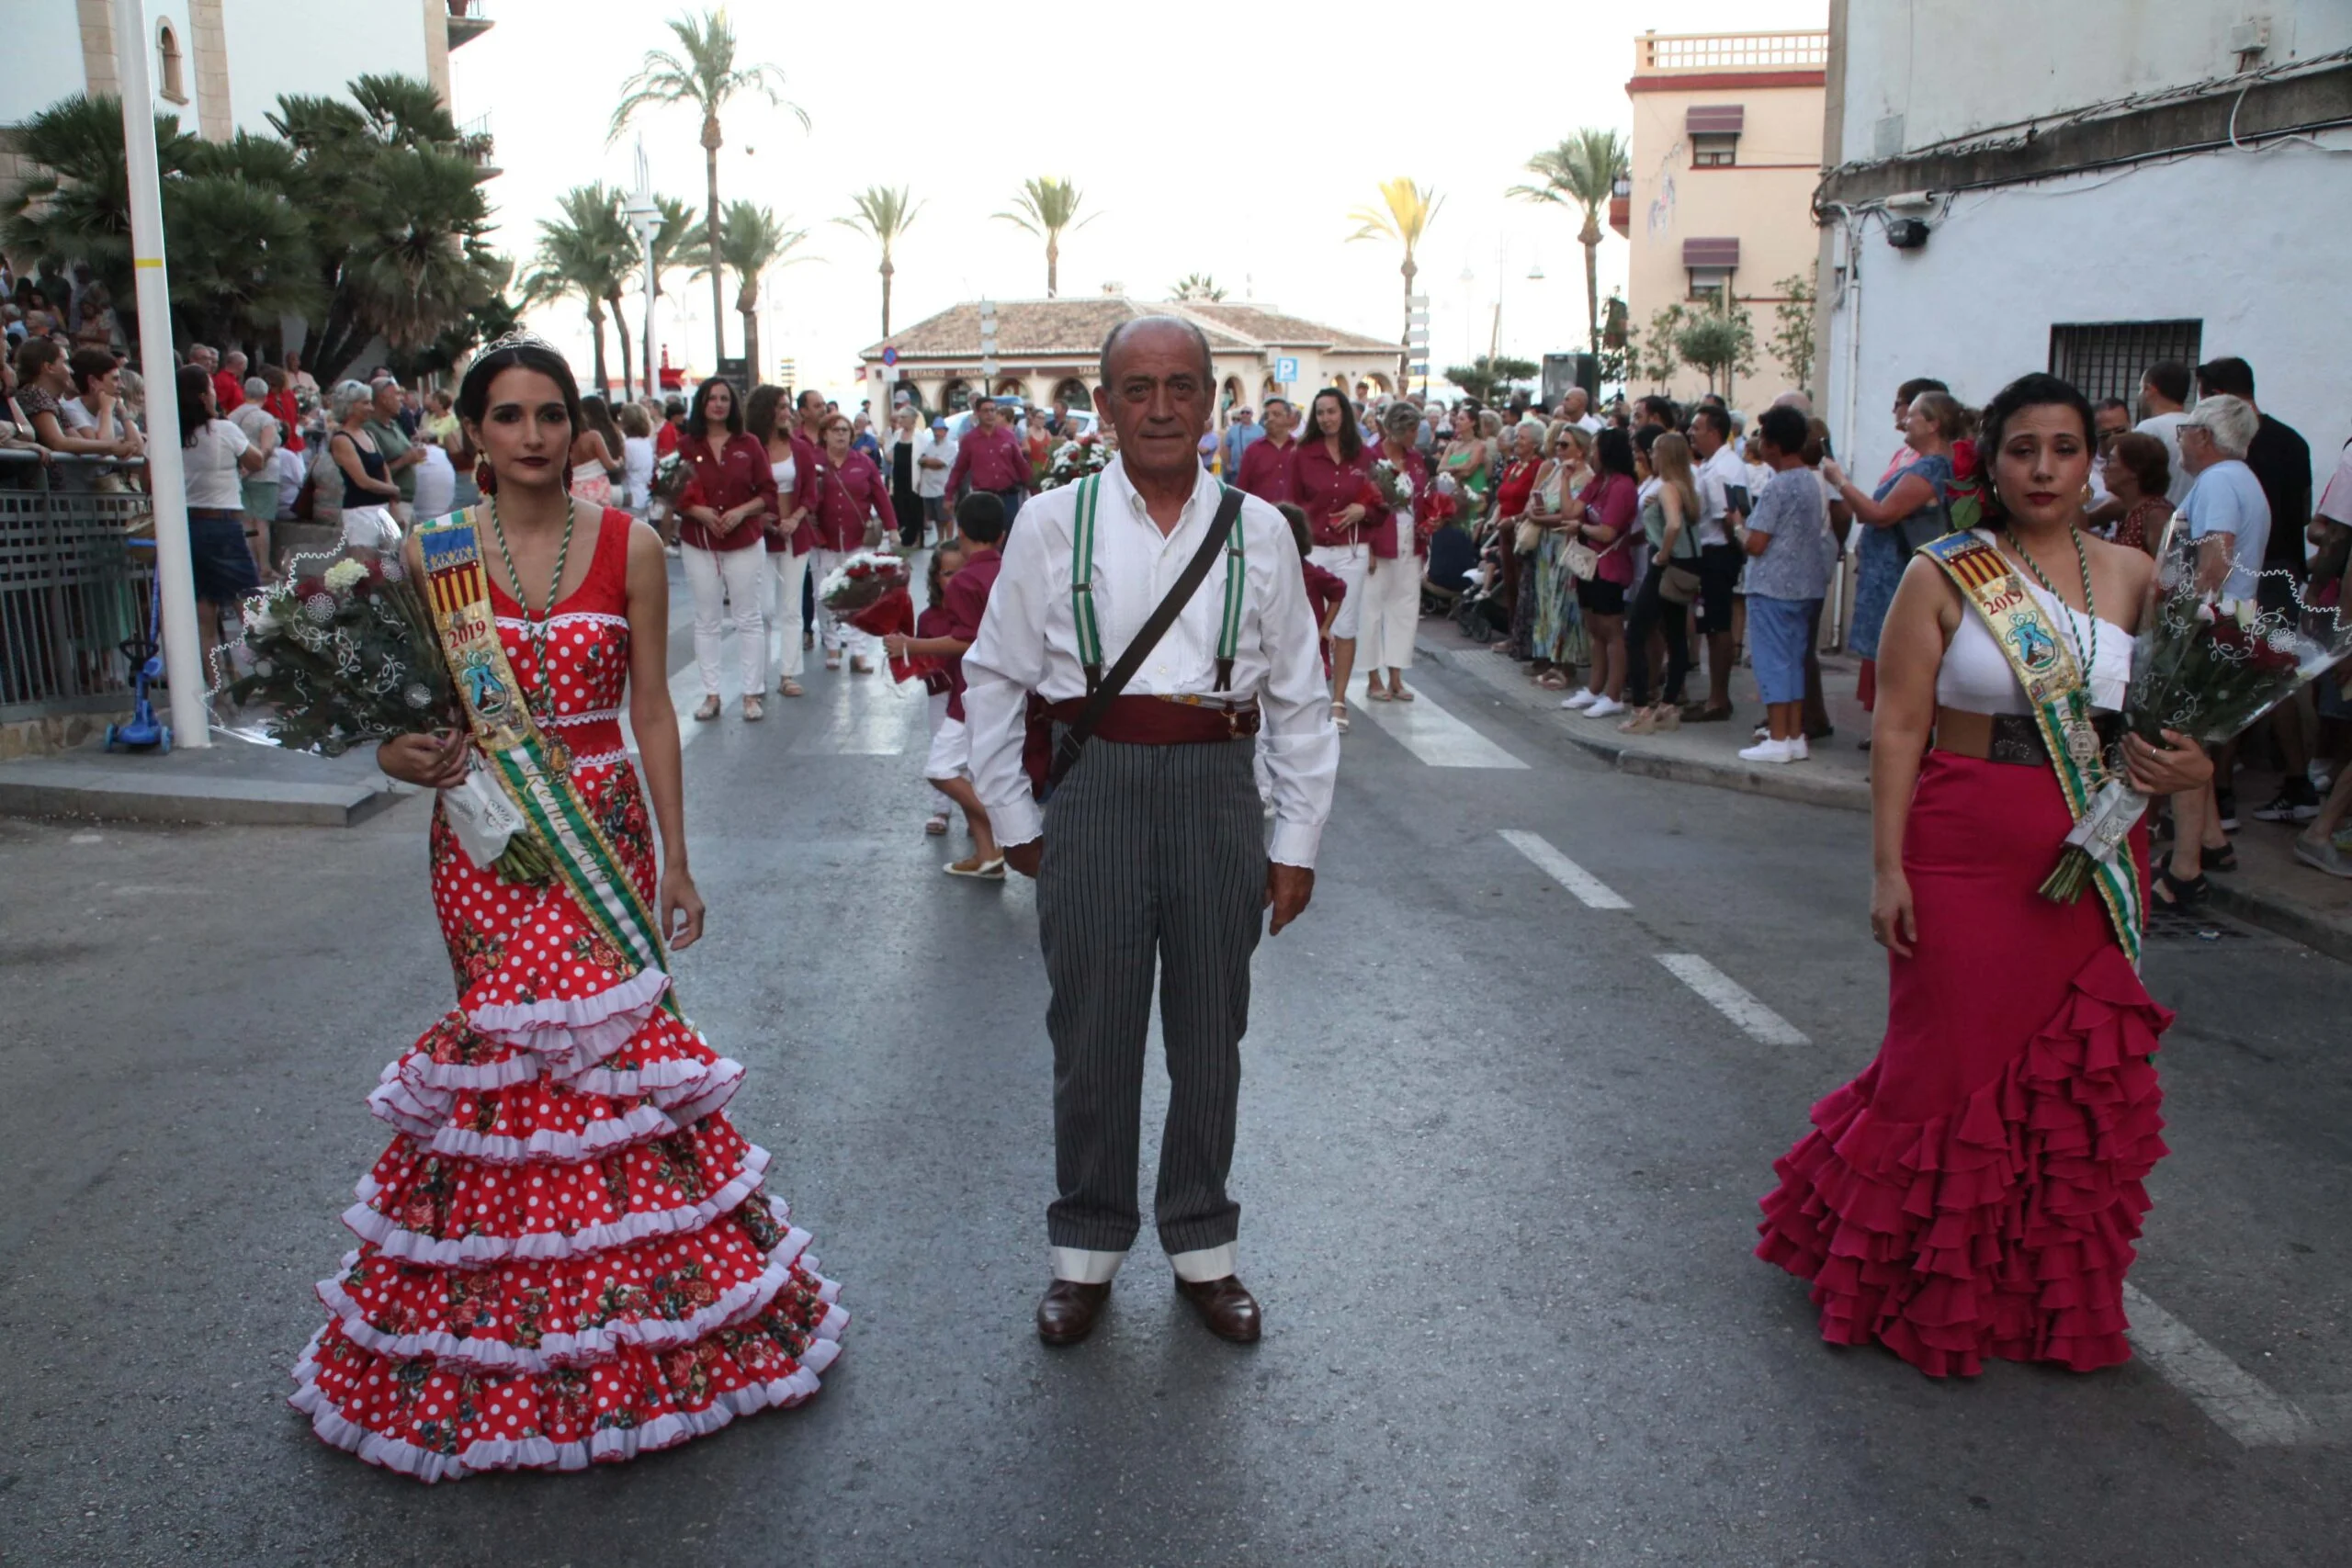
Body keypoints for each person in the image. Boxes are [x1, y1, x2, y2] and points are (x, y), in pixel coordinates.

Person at [297, 335, 842, 1482]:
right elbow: (402, 715)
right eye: (508, 416)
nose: (533, 435)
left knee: (616, 1065)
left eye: (550, 414)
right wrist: (402, 753)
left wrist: (677, 858)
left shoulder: (632, 545)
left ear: (575, 424)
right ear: (474, 432)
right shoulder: (428, 553)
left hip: (602, 828)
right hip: (488, 840)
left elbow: (653, 706)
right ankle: (505, 1333)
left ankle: (639, 1314)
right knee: (508, 1068)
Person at [1756, 370, 2211, 1379]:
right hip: (1960, 849)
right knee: (1945, 1064)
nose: (2043, 468)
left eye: (2064, 448)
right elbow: (1900, 731)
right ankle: (1912, 1284)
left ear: (2092, 462)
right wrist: (1886, 870)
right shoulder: (1945, 573)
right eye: (2021, 449)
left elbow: (2174, 721)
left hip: (2092, 850)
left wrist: (2195, 766)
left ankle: (2036, 1296)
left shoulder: (2135, 573)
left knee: (2066, 1076)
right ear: (1989, 463)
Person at [962, 315, 1337, 1348]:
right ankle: (1083, 1251)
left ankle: (1202, 1248)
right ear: (1105, 406)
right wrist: (1014, 815)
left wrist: (1295, 840)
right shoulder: (1051, 520)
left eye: (1181, 386)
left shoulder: (1260, 528)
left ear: (1211, 400)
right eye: (1138, 388)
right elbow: (992, 677)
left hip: (1219, 786)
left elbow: (1301, 698)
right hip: (1095, 787)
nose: (1161, 406)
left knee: (1211, 1030)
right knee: (1091, 1034)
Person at [2155, 392, 2270, 909]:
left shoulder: (2220, 481)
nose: (2181, 440)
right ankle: (2211, 842)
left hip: (2213, 624)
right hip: (2233, 620)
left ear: (2203, 436)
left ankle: (2185, 870)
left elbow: (2214, 561)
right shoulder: (2242, 479)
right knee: (2197, 740)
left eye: (2185, 431)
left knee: (2182, 742)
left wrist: (2188, 622)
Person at [2199, 356, 2319, 824]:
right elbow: (2306, 511)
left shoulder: (2229, 451)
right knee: (2277, 679)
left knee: (2231, 681)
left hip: (2249, 576)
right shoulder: (2293, 440)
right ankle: (2295, 780)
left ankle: (2223, 794)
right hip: (2284, 569)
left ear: (2215, 394)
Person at [1826, 391, 1963, 733]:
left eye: (1913, 414)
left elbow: (1881, 514)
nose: (1904, 420)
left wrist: (1839, 481)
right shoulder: (1929, 464)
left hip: (1901, 580)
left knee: (1903, 672)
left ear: (1933, 424)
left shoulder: (1930, 467)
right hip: (1895, 577)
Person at [886, 491, 1007, 877]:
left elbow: (968, 640)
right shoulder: (1010, 570)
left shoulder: (967, 581)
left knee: (941, 769)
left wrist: (910, 645)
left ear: (961, 530)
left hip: (975, 692)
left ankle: (1011, 828)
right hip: (1008, 687)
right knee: (977, 770)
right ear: (1003, 534)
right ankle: (987, 855)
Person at [676, 376, 778, 721]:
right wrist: (697, 511)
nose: (718, 404)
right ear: (701, 404)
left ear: (732, 405)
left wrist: (741, 512)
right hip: (699, 541)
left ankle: (752, 693)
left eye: (724, 398)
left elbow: (767, 493)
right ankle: (712, 694)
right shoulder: (687, 446)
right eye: (711, 398)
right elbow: (671, 492)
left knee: (748, 616)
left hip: (744, 540)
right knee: (707, 619)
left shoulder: (748, 444)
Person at [1735, 405, 1832, 762]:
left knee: (1773, 662)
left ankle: (1778, 737)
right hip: (1805, 584)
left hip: (1773, 585)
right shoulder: (1809, 479)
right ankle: (1793, 734)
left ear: (1774, 444)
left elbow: (1756, 542)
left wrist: (1736, 526)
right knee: (1793, 661)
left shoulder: (1778, 485)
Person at [174, 364, 269, 682]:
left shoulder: (170, 433)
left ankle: (215, 689)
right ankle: (271, 682)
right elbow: (256, 460)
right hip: (224, 525)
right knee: (250, 608)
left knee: (204, 616)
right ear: (203, 396)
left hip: (187, 527)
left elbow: (148, 479)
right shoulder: (224, 430)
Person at [1292, 386, 1375, 731]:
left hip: (1352, 549)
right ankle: (1308, 694)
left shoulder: (1364, 457)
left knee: (1346, 624)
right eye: (1321, 412)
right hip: (1315, 549)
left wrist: (1364, 510)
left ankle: (1338, 700)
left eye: (1332, 411)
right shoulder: (1303, 454)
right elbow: (1293, 504)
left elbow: (1382, 503)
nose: (1326, 418)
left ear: (1345, 413)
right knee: (1307, 622)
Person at [1620, 428, 1701, 733]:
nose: (1650, 455)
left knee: (1636, 634)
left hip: (1665, 565)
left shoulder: (1668, 488)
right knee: (1676, 634)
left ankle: (1641, 708)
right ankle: (1669, 705)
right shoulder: (1688, 488)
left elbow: (1674, 524)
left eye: (1654, 450)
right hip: (1688, 566)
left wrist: (1662, 554)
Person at [1559, 426, 1641, 718]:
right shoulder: (1599, 481)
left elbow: (1607, 531)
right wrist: (1565, 480)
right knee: (1594, 627)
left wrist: (1581, 527)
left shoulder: (1622, 486)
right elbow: (1571, 511)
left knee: (1612, 630)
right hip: (1588, 564)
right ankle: (1595, 688)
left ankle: (1614, 693)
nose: (1591, 454)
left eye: (1595, 448)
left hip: (1609, 564)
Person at [743, 384, 814, 698]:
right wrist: (761, 519)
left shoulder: (799, 448)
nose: (789, 412)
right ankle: (756, 678)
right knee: (763, 609)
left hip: (794, 534)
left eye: (788, 406)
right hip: (761, 535)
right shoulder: (749, 447)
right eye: (782, 407)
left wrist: (795, 518)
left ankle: (788, 673)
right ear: (766, 412)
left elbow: (811, 492)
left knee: (791, 607)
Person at [1360, 400, 1431, 703]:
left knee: (1405, 609)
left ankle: (1397, 675)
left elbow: (1424, 498)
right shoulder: (1371, 458)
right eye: (1413, 429)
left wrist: (1431, 522)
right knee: (1371, 610)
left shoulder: (1416, 460)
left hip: (1409, 541)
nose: (1417, 435)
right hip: (1380, 539)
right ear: (1398, 429)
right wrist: (1369, 547)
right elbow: (1362, 503)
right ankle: (1373, 676)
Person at [809, 412, 891, 674]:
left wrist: (893, 528)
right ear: (825, 434)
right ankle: (832, 645)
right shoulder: (814, 463)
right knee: (825, 594)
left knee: (858, 596)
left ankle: (858, 652)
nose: (841, 434)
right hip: (824, 540)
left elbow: (880, 496)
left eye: (845, 430)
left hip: (858, 540)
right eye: (835, 430)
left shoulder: (864, 463)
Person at [1683, 406, 1751, 723]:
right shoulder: (1715, 464)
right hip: (1711, 551)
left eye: (1697, 428)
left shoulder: (1724, 468)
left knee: (1718, 625)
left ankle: (1718, 698)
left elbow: (1730, 515)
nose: (1691, 433)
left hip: (1719, 552)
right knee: (1710, 625)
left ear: (1713, 431)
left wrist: (1733, 553)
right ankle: (1714, 695)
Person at [10, 338, 136, 462]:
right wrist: (111, 446)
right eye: (65, 363)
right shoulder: (34, 393)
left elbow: (80, 442)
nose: (71, 371)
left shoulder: (52, 401)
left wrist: (112, 447)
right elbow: (59, 442)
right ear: (49, 367)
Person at [325, 378, 404, 549]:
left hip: (382, 508)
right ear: (351, 406)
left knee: (390, 567)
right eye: (366, 403)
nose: (371, 408)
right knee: (366, 566)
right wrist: (394, 490)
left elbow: (384, 470)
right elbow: (362, 481)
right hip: (360, 512)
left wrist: (393, 504)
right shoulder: (341, 439)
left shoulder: (368, 434)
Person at [948, 397, 1035, 526]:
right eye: (986, 411)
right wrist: (949, 495)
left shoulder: (1008, 436)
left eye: (993, 410)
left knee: (1010, 535)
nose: (990, 414)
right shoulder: (969, 440)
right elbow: (959, 470)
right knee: (986, 535)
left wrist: (1035, 490)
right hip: (984, 498)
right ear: (977, 413)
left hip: (1009, 496)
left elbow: (1021, 465)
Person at [227, 375, 283, 572]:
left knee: (247, 521)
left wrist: (241, 471)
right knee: (261, 522)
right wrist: (252, 467)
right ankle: (265, 566)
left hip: (238, 474)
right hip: (263, 475)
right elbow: (266, 449)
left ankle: (250, 566)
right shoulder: (265, 418)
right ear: (265, 396)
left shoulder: (231, 417)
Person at [2133, 360, 2194, 507]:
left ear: (2149, 390)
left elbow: (2130, 487)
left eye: (2141, 389)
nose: (2139, 395)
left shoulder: (2149, 429)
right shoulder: (2197, 427)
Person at [2102, 431, 2173, 554]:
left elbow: (2168, 569)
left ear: (2135, 470)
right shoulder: (2130, 508)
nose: (2104, 468)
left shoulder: (2157, 515)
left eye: (2111, 461)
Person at [363, 379, 423, 524]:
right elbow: (371, 475)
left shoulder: (394, 424)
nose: (402, 399)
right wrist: (405, 460)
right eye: (397, 394)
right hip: (390, 505)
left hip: (407, 501)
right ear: (383, 399)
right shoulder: (370, 429)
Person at [1235, 397, 1297, 505]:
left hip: (1293, 518)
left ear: (1289, 418)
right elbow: (1241, 489)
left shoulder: (1300, 449)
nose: (1270, 419)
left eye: (1276, 414)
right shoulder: (1253, 451)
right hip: (1260, 517)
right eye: (1267, 415)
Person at [569, 397, 626, 508]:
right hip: (602, 488)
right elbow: (610, 465)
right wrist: (619, 462)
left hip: (576, 490)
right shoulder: (594, 436)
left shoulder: (565, 440)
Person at [885, 405, 927, 548]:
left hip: (913, 478)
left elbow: (924, 457)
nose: (900, 420)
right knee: (900, 506)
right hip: (898, 477)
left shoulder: (920, 436)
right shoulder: (897, 434)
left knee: (914, 507)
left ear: (912, 420)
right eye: (900, 417)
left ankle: (917, 538)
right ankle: (903, 537)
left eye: (903, 417)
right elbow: (889, 452)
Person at [916, 414, 957, 543]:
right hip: (929, 488)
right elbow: (921, 460)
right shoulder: (929, 445)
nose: (936, 433)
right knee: (936, 518)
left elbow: (941, 463)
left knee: (946, 517)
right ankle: (940, 541)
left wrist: (928, 461)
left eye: (939, 430)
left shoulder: (950, 446)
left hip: (942, 487)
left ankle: (949, 541)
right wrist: (930, 461)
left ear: (945, 431)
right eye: (935, 430)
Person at [616, 400, 657, 518]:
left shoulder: (627, 445)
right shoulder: (645, 442)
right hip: (644, 494)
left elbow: (623, 470)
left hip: (630, 496)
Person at [1220, 405, 1261, 478]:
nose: (1245, 414)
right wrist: (1227, 464)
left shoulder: (1260, 430)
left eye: (1247, 413)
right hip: (1236, 470)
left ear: (1251, 415)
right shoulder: (1233, 430)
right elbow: (1227, 448)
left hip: (1255, 470)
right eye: (1242, 412)